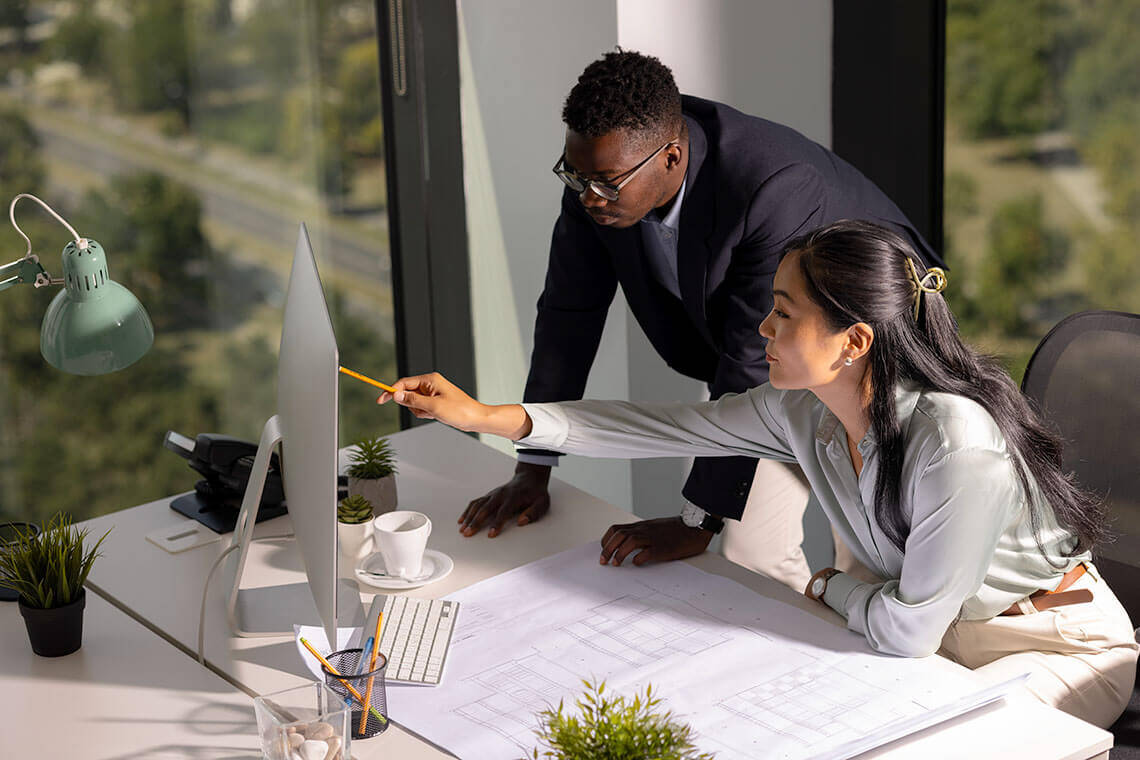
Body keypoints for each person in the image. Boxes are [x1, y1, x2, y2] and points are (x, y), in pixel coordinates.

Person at [379, 220, 1138, 728]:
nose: (762, 329)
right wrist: (488, 418)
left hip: (1046, 649)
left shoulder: (954, 442)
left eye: (783, 313)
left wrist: (827, 585)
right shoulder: (799, 411)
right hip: (931, 637)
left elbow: (907, 631)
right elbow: (661, 425)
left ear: (853, 342)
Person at [460, 50, 943, 593]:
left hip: (869, 350)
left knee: (866, 560)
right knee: (750, 552)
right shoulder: (601, 175)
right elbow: (567, 317)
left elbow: (747, 359)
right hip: (780, 352)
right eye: (577, 176)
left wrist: (698, 519)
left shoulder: (770, 186)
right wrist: (534, 466)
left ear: (670, 157)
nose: (590, 198)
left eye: (606, 183)